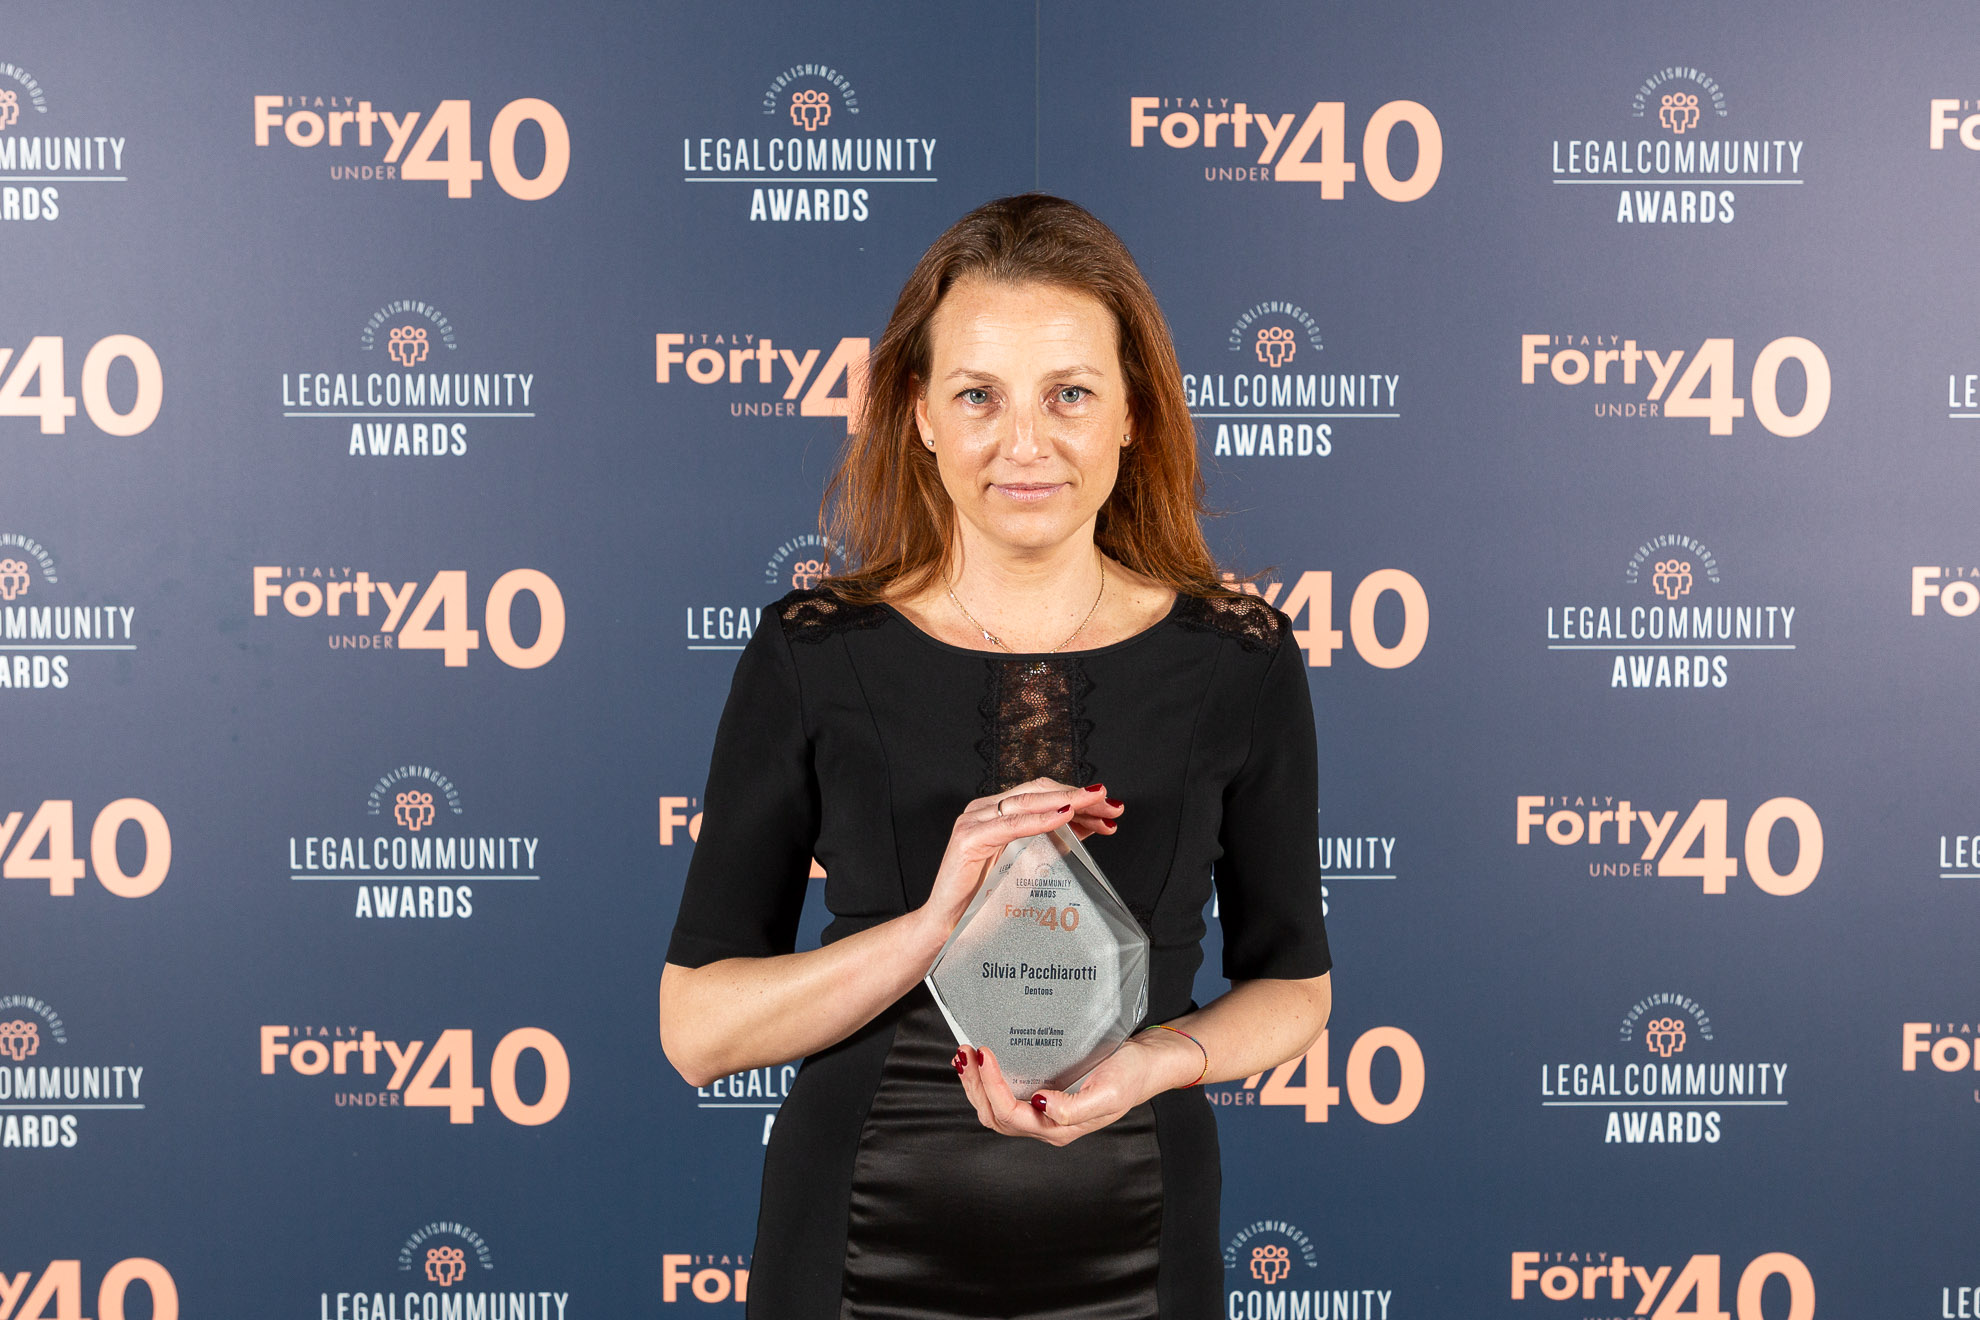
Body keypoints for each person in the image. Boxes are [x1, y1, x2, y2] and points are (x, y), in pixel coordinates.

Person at [659, 193, 1333, 1318]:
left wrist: (1158, 1061)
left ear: (1134, 415)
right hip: (858, 1252)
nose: (1026, 443)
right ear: (919, 414)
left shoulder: (1239, 659)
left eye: (1070, 394)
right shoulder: (812, 655)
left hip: (1137, 1240)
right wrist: (927, 926)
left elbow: (1294, 989)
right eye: (979, 396)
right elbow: (698, 1031)